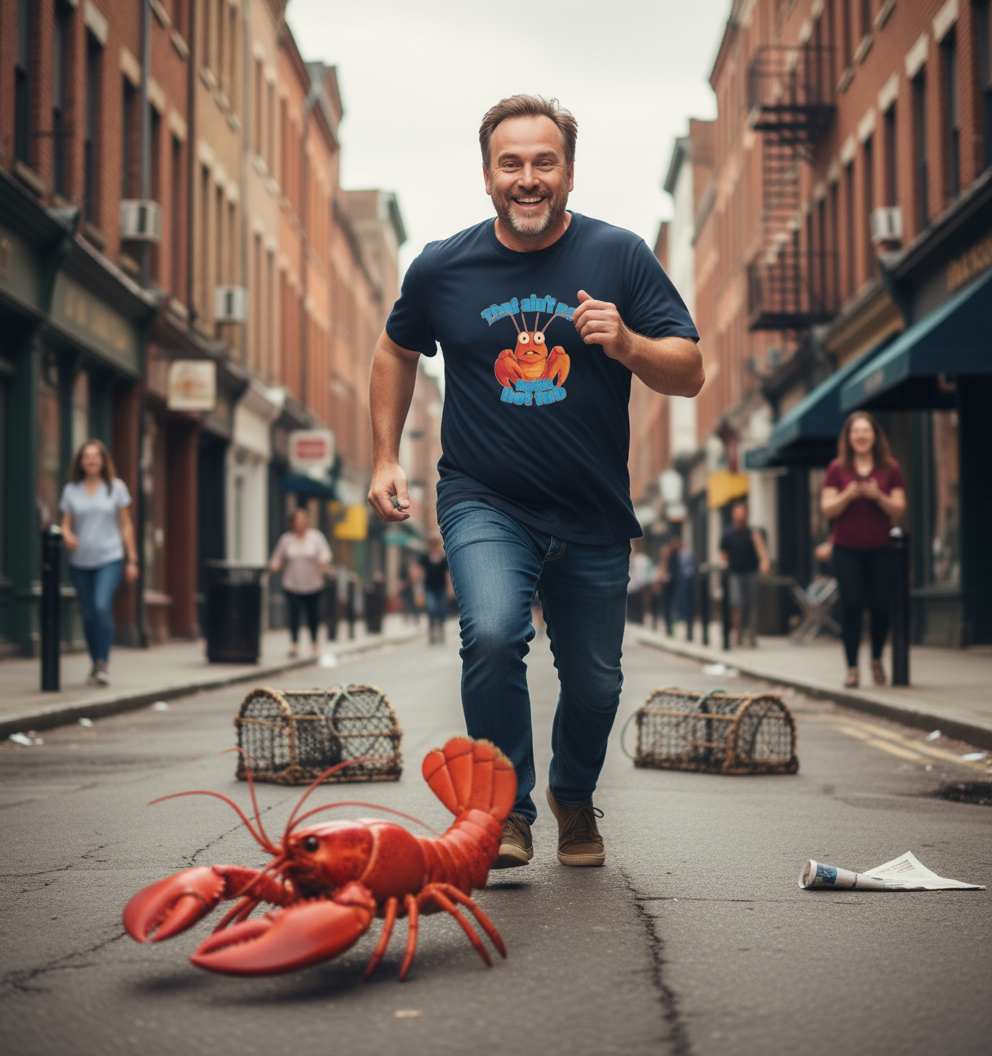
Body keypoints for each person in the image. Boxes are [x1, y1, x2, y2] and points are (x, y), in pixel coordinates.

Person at [368, 95, 702, 869]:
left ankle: (573, 794)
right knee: (490, 634)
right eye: (511, 163)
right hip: (485, 498)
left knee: (595, 683)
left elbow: (688, 372)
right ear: (486, 175)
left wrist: (626, 343)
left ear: (569, 173)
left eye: (543, 162)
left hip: (591, 508)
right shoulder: (442, 266)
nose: (528, 178)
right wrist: (386, 456)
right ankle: (505, 810)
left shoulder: (618, 256)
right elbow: (395, 352)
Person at [821, 411, 906, 687]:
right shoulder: (837, 469)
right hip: (846, 548)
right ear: (848, 437)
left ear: (874, 435)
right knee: (852, 606)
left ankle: (877, 659)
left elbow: (899, 508)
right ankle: (853, 668)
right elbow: (827, 507)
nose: (860, 436)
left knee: (881, 608)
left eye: (865, 431)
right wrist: (849, 494)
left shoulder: (890, 469)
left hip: (880, 548)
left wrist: (876, 495)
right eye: (855, 431)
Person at [59, 440, 139, 685]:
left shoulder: (115, 488)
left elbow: (125, 524)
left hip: (109, 557)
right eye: (86, 456)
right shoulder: (71, 490)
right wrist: (66, 535)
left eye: (95, 456)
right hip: (81, 561)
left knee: (101, 606)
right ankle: (95, 663)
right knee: (88, 613)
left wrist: (132, 559)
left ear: (103, 461)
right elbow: (65, 522)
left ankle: (102, 663)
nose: (91, 460)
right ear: (80, 462)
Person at [268, 508, 332, 657]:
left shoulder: (316, 537)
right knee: (293, 614)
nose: (301, 523)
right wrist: (274, 566)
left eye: (303, 520)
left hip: (313, 584)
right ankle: (294, 645)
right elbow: (277, 558)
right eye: (298, 520)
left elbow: (326, 555)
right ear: (292, 523)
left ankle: (315, 644)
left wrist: (323, 564)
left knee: (313, 615)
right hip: (292, 584)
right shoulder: (286, 539)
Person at [719, 501, 771, 647]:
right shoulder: (728, 534)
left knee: (752, 605)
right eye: (737, 513)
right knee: (737, 603)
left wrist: (764, 562)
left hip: (751, 572)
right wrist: (723, 564)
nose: (740, 516)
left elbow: (761, 550)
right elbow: (723, 553)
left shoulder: (753, 533)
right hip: (735, 573)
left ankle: (752, 636)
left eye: (742, 513)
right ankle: (738, 633)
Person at [420, 535, 452, 644]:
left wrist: (450, 588)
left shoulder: (443, 557)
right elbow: (419, 570)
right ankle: (432, 633)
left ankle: (441, 630)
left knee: (442, 610)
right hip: (429, 588)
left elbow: (448, 573)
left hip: (441, 588)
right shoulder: (425, 557)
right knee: (431, 608)